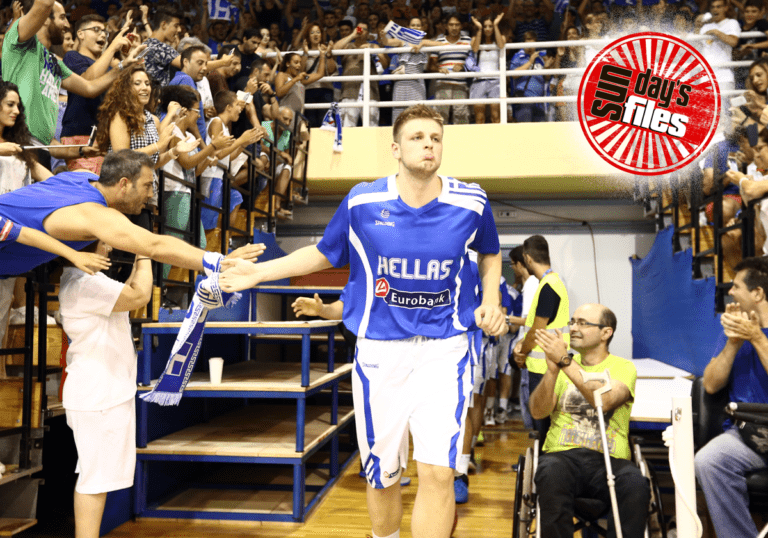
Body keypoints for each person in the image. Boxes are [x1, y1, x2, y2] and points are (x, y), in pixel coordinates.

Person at [219, 104, 505, 538]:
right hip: (379, 351)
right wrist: (259, 273)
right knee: (383, 474)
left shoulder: (471, 201)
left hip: (446, 348)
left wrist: (491, 300)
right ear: (395, 149)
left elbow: (490, 253)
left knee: (439, 472)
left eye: (435, 138)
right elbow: (323, 253)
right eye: (417, 137)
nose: (428, 145)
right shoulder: (363, 201)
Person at [0, 149, 263, 278]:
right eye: (147, 186)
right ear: (124, 184)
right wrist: (217, 262)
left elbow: (48, 186)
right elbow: (155, 245)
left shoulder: (81, 176)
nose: (150, 195)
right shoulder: (96, 216)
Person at [530, 303, 650, 538]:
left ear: (606, 332)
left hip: (610, 460)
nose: (574, 328)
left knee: (635, 484)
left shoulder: (623, 367)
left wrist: (564, 361)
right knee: (550, 472)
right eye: (573, 322)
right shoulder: (561, 368)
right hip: (562, 456)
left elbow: (604, 400)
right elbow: (537, 412)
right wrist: (552, 371)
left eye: (583, 323)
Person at [58, 240, 151, 538]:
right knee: (94, 480)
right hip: (98, 395)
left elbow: (132, 291)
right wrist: (146, 252)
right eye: (102, 242)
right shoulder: (83, 284)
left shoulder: (90, 281)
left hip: (104, 392)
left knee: (97, 478)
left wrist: (140, 256)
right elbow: (140, 295)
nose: (108, 247)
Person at [3, 0, 135, 168]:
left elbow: (89, 88)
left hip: (42, 153)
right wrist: (113, 47)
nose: (67, 25)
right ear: (45, 19)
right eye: (62, 17)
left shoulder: (54, 61)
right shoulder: (20, 43)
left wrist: (124, 65)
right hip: (14, 147)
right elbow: (44, 4)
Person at [694, 257, 768, 538]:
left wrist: (757, 338)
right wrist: (733, 343)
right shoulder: (732, 332)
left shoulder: (758, 335)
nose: (731, 292)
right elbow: (712, 385)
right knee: (709, 460)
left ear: (757, 293)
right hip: (746, 433)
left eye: (736, 286)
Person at [60, 15, 142, 174]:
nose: (103, 34)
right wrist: (112, 48)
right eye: (96, 30)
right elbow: (87, 83)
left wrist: (127, 58)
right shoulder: (73, 57)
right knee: (89, 185)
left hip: (107, 141)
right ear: (80, 34)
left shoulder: (111, 70)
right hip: (81, 137)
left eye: (104, 31)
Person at [513, 234, 570, 433]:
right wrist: (521, 343)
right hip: (547, 363)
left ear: (528, 259)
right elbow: (536, 326)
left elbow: (537, 330)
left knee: (541, 423)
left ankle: (542, 454)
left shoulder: (549, 286)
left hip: (543, 367)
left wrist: (521, 353)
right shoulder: (551, 283)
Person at [507, 245, 538, 429]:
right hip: (527, 348)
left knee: (528, 398)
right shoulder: (529, 285)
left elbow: (530, 321)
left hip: (529, 350)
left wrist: (505, 318)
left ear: (520, 264)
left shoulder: (532, 284)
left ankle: (534, 439)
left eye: (512, 264)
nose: (512, 268)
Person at [332, 22, 385, 127]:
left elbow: (385, 63)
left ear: (368, 32)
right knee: (347, 128)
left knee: (371, 128)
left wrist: (372, 50)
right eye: (359, 28)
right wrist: (352, 35)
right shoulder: (347, 46)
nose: (361, 31)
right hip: (349, 92)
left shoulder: (374, 46)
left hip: (370, 93)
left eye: (364, 29)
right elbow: (334, 49)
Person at [428, 14, 472, 125]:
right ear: (446, 26)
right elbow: (431, 66)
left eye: (457, 25)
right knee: (441, 116)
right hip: (443, 84)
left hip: (460, 84)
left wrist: (463, 66)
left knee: (461, 115)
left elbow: (474, 62)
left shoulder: (468, 40)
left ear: (461, 26)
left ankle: (462, 137)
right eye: (451, 25)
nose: (454, 27)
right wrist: (439, 69)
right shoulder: (439, 41)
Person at [699, 0, 739, 109]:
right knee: (706, 114)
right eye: (713, 7)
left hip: (724, 76)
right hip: (705, 77)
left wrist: (716, 32)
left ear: (725, 8)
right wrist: (695, 29)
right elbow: (698, 48)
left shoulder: (732, 23)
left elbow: (733, 42)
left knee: (724, 112)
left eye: (718, 6)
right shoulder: (705, 27)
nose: (715, 9)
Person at [469, 14, 505, 124]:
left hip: (496, 81)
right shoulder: (475, 39)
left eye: (490, 26)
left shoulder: (500, 38)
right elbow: (475, 49)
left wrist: (496, 25)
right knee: (479, 118)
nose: (488, 29)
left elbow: (501, 45)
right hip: (479, 81)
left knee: (495, 116)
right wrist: (479, 29)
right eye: (485, 26)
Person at [141, 6, 183, 86]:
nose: (179, 30)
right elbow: (190, 65)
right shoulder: (160, 48)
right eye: (176, 26)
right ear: (164, 25)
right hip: (157, 93)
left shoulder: (146, 45)